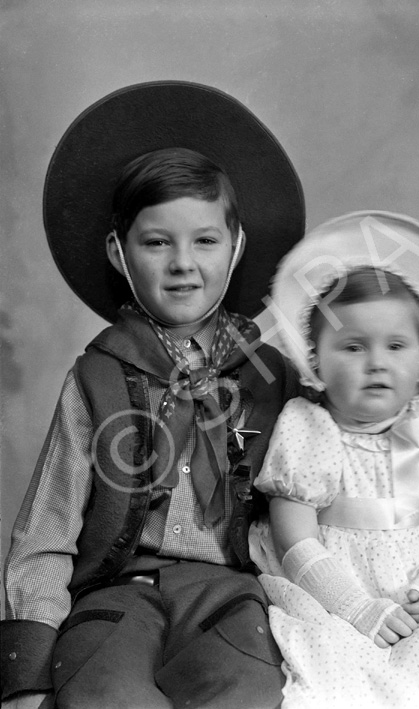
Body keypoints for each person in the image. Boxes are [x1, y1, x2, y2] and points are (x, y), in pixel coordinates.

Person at [1, 81, 305, 709]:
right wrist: (24, 676)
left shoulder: (275, 378)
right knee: (102, 693)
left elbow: (318, 497)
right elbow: (46, 531)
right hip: (114, 593)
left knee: (246, 690)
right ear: (119, 252)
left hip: (230, 593)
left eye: (205, 240)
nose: (182, 264)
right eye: (157, 241)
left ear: (237, 246)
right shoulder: (97, 376)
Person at [249, 211, 419, 708]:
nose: (377, 362)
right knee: (343, 683)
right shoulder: (311, 429)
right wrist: (357, 610)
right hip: (335, 597)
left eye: (396, 345)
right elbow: (295, 537)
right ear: (316, 360)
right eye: (353, 347)